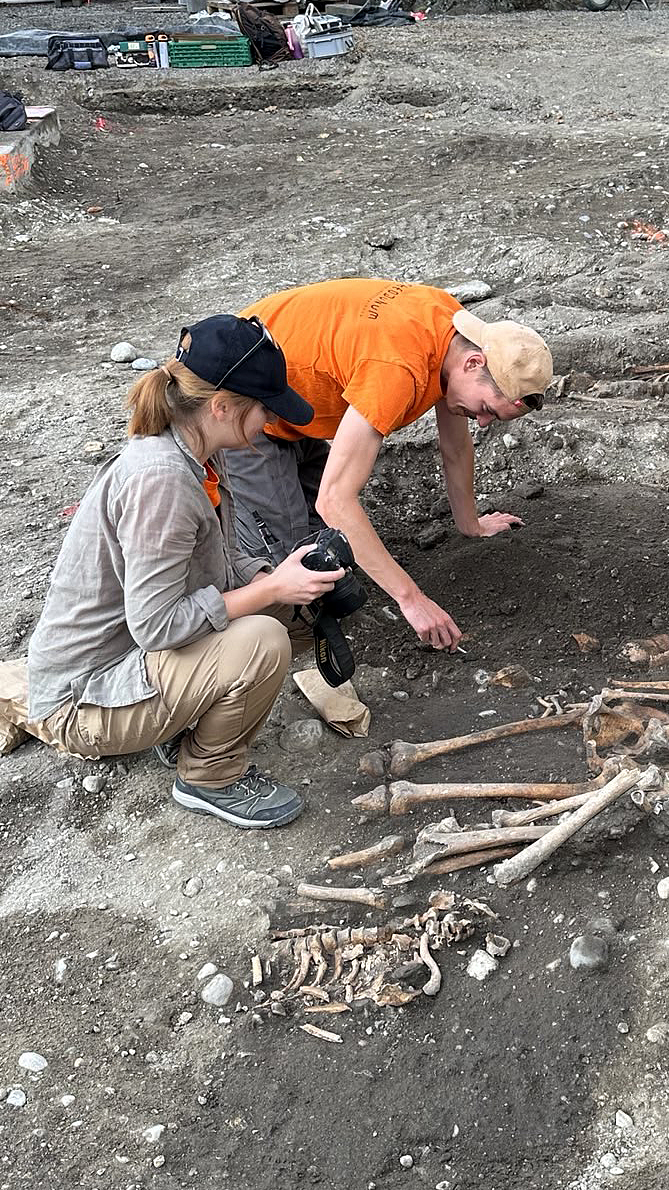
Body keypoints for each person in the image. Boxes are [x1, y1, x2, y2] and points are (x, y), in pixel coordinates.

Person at [14, 317, 344, 830]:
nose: (270, 424)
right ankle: (209, 775)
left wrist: (275, 580)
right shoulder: (162, 481)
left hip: (132, 661)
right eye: (264, 410)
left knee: (288, 606)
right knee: (261, 638)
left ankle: (181, 721)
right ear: (221, 407)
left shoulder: (202, 454)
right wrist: (271, 590)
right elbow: (156, 626)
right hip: (84, 700)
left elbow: (221, 562)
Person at [222, 279, 554, 653]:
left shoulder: (453, 331)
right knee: (294, 574)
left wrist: (470, 524)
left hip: (296, 407)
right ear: (473, 362)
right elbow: (335, 500)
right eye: (486, 410)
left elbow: (456, 447)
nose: (481, 422)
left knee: (332, 553)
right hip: (240, 411)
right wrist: (412, 600)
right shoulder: (398, 368)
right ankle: (256, 645)